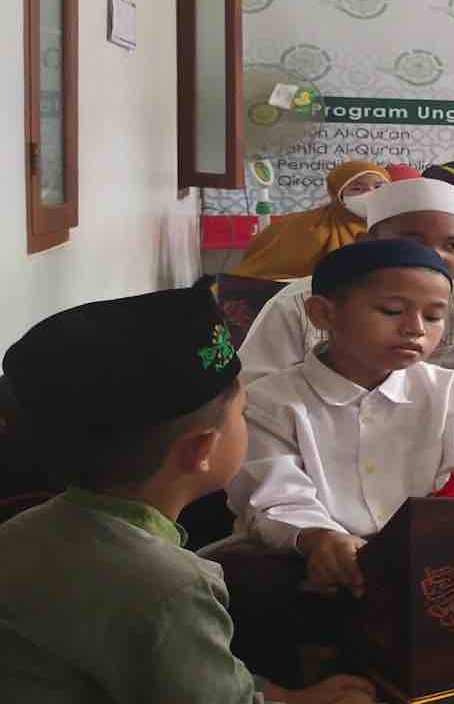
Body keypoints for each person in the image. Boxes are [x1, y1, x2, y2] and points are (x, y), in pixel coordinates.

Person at [0, 289, 377, 703]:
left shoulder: (21, 531)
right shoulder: (169, 588)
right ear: (201, 449)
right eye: (243, 413)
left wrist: (281, 697)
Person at [221, 241, 454, 681]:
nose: (415, 329)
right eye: (392, 311)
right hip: (309, 560)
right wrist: (319, 539)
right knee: (254, 587)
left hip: (421, 556)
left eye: (434, 316)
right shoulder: (272, 400)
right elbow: (275, 497)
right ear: (322, 314)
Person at [236, 179, 454, 393]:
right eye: (413, 243)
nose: (434, 255)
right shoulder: (297, 302)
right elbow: (256, 389)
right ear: (366, 242)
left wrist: (449, 416)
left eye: (452, 245)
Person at [228, 161, 389, 280]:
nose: (370, 193)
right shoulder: (309, 227)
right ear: (337, 193)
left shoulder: (395, 225)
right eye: (357, 188)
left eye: (379, 187)